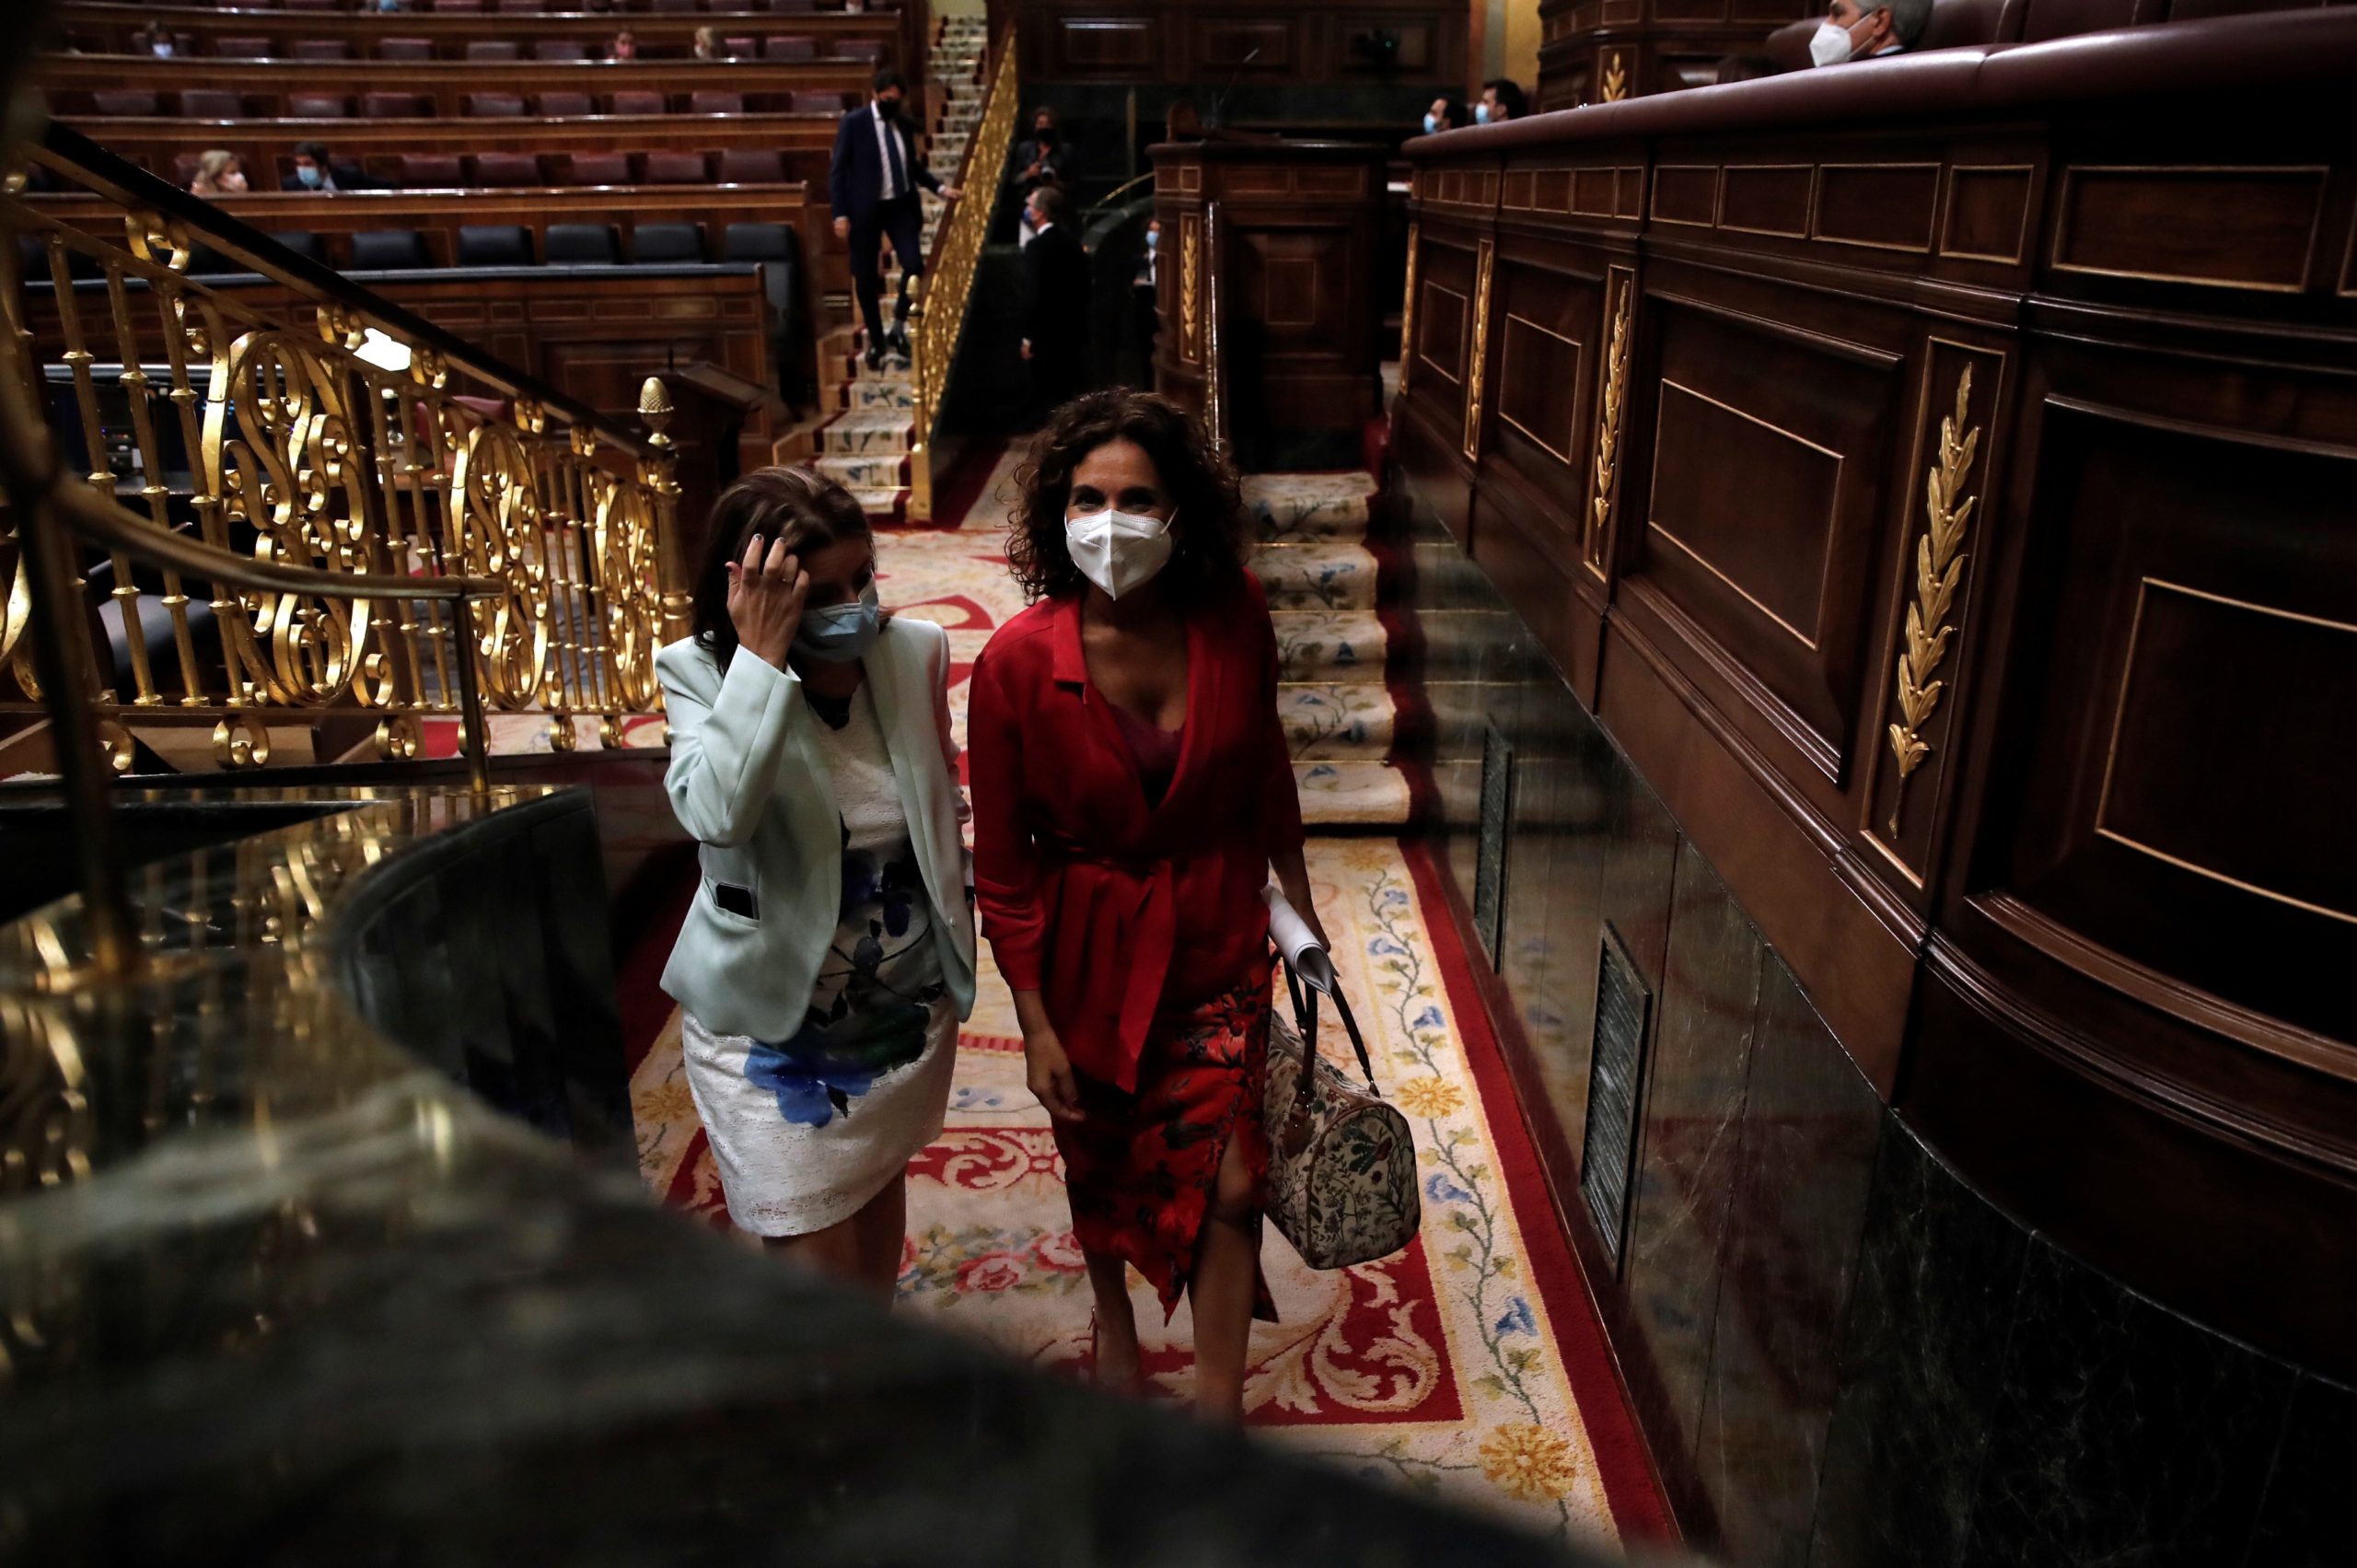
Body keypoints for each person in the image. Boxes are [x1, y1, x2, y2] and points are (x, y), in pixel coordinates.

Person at [968, 389, 1328, 1421]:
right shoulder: (1014, 663)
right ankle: (1114, 1320)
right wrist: (1034, 1023)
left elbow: (1265, 771)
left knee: (1230, 1180)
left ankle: (1216, 1414)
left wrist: (1297, 908)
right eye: (1086, 497)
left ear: (1179, 516)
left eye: (1136, 497)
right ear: (1057, 514)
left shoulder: (1236, 615)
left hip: (1215, 937)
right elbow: (1002, 866)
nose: (1108, 520)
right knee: (1104, 1159)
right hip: (1086, 956)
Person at [656, 467, 977, 1305]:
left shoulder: (913, 653)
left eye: (861, 577)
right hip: (770, 1033)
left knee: (870, 1237)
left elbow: (939, 797)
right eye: (820, 590)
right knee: (815, 1288)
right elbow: (716, 814)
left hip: (897, 1017)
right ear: (754, 586)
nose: (855, 604)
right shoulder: (701, 671)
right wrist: (760, 660)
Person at [830, 67, 964, 372]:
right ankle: (877, 340)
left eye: (897, 99)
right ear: (876, 95)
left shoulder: (901, 124)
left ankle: (899, 327)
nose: (893, 103)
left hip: (900, 205)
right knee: (864, 278)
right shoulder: (855, 124)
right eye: (888, 98)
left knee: (914, 264)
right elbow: (838, 171)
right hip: (865, 209)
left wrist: (940, 188)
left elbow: (912, 166)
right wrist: (840, 213)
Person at [1019, 187, 1089, 418]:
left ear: (1040, 213)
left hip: (1044, 339)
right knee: (1068, 402)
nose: (1027, 210)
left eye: (1030, 206)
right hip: (1072, 336)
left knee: (1046, 406)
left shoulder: (1036, 248)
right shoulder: (1073, 244)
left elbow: (1033, 296)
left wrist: (1029, 338)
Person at [1007, 106, 1071, 247]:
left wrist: (1054, 182)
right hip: (1029, 206)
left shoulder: (1065, 151)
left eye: (1047, 124)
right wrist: (1028, 174)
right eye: (1040, 124)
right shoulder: (1025, 149)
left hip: (1055, 210)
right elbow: (1013, 180)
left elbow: (1073, 183)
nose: (1043, 128)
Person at [1810, 0, 1931, 63]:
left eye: (1837, 14)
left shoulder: (1854, 89)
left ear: (1879, 22)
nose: (1826, 24)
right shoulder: (1918, 84)